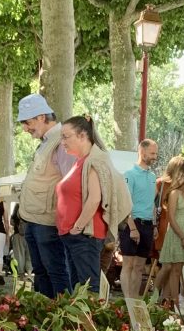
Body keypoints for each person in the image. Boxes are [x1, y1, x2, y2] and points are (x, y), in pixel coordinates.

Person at [55, 115, 129, 290]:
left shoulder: (94, 161)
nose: (62, 142)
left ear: (82, 135)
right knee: (79, 289)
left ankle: (90, 318)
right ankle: (82, 317)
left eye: (66, 136)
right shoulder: (82, 161)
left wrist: (77, 227)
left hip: (85, 236)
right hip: (74, 236)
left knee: (89, 288)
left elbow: (95, 198)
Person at [16, 93, 72, 297]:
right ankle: (45, 320)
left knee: (56, 273)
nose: (25, 128)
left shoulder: (62, 141)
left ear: (41, 117)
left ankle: (63, 319)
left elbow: (70, 182)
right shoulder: (48, 141)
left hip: (48, 222)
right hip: (35, 220)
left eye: (27, 122)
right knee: (41, 273)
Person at [156, 157, 184, 312]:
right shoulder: (174, 193)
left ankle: (182, 296)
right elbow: (171, 217)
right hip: (177, 234)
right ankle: (174, 303)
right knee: (176, 269)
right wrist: (182, 237)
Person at [120, 138, 160, 297]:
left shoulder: (152, 177)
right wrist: (133, 228)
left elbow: (151, 203)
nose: (155, 157)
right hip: (132, 223)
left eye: (156, 153)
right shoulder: (129, 175)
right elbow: (125, 203)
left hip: (148, 225)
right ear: (142, 152)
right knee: (128, 264)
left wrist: (154, 225)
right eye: (152, 153)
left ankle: (135, 299)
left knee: (140, 266)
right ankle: (127, 299)